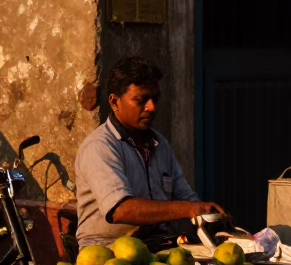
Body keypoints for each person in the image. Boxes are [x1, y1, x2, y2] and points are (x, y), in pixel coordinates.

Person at [74, 56, 225, 250]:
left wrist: (209, 215)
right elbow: (120, 210)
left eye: (155, 98)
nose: (152, 107)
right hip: (108, 254)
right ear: (114, 101)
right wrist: (188, 210)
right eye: (141, 100)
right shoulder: (99, 147)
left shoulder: (159, 144)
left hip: (159, 248)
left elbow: (186, 197)